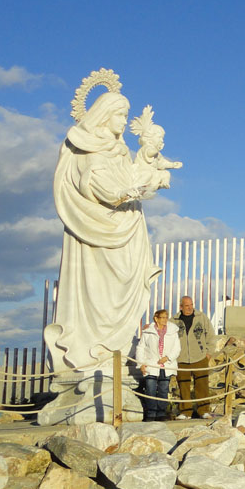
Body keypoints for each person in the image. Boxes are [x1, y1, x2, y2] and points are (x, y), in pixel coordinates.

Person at [45, 72, 171, 372]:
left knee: (123, 288)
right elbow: (88, 179)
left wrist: (151, 171)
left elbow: (132, 176)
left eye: (127, 115)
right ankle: (90, 358)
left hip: (126, 226)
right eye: (121, 115)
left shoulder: (121, 149)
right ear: (104, 115)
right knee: (96, 293)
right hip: (95, 227)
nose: (124, 122)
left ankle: (114, 356)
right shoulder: (85, 144)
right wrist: (117, 192)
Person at [173, 296, 214, 418]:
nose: (190, 308)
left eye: (191, 305)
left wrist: (209, 352)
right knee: (183, 386)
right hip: (181, 359)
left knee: (202, 384)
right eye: (187, 305)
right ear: (181, 307)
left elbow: (210, 335)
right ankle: (186, 412)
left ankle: (204, 411)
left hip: (200, 357)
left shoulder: (202, 318)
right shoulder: (173, 321)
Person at [137, 310, 180, 421]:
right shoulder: (148, 332)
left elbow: (177, 348)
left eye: (166, 317)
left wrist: (167, 358)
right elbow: (140, 348)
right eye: (162, 317)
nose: (165, 320)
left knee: (163, 390)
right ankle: (151, 413)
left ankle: (161, 413)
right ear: (156, 318)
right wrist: (141, 363)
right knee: (150, 389)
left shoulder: (173, 331)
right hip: (151, 365)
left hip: (166, 365)